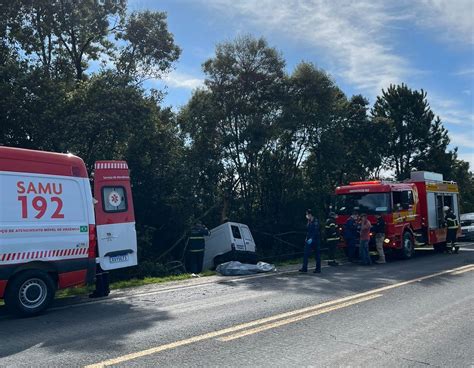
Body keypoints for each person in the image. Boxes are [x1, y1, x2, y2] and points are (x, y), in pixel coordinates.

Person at [299, 209, 321, 273]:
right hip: (309, 240)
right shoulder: (309, 221)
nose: (306, 215)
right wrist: (307, 237)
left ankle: (318, 269)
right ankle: (304, 268)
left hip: (315, 240)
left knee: (317, 254)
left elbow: (316, 231)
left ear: (310, 214)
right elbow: (308, 231)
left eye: (307, 214)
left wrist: (312, 238)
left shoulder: (315, 221)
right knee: (306, 253)